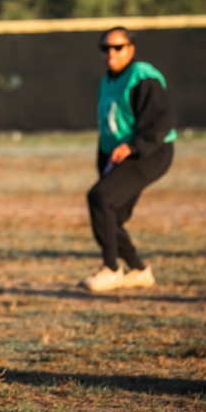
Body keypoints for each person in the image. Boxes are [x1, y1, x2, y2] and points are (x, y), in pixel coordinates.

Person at [80, 26, 176, 293]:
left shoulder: (141, 76)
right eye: (106, 48)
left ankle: (111, 269)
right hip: (120, 156)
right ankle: (138, 270)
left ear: (131, 49)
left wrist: (133, 147)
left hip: (150, 153)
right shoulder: (108, 80)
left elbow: (163, 122)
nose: (111, 53)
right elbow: (108, 128)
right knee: (111, 213)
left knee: (100, 199)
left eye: (118, 47)